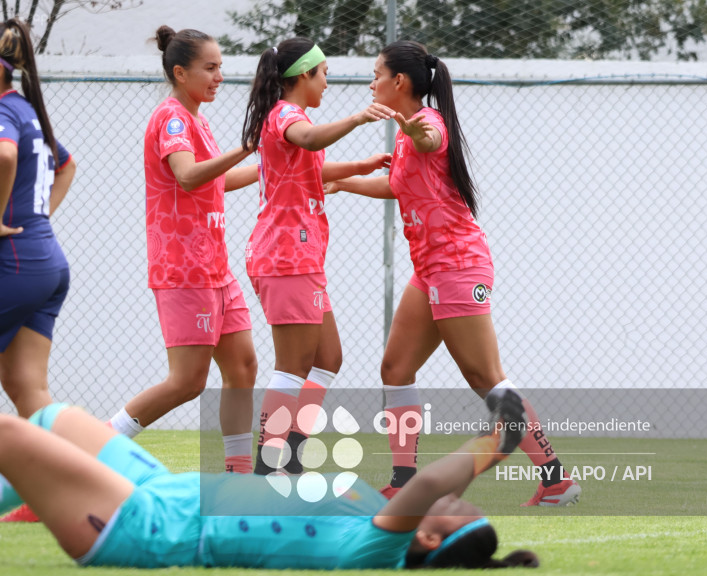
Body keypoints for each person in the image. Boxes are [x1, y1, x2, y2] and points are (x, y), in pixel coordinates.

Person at [325, 40, 581, 507]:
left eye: (375, 74)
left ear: (398, 82)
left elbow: (431, 139)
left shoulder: (425, 123)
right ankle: (403, 482)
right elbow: (399, 185)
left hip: (458, 267)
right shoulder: (405, 135)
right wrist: (344, 182)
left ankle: (556, 478)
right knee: (395, 367)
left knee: (486, 377)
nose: (371, 82)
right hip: (431, 271)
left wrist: (412, 128)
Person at [0, 390, 539, 569]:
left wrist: (499, 442)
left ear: (426, 537)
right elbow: (440, 496)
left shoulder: (376, 547)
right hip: (164, 489)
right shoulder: (380, 515)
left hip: (148, 525)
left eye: (459, 507)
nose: (454, 495)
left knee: (8, 433)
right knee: (54, 420)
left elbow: (427, 486)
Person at [107, 26, 259, 475]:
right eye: (209, 68)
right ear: (180, 72)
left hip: (216, 270)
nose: (219, 77)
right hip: (184, 270)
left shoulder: (198, 120)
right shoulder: (171, 119)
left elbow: (216, 180)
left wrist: (265, 165)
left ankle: (238, 475)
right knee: (188, 382)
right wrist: (246, 148)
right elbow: (189, 176)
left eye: (221, 68)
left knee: (243, 368)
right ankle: (95, 445)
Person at [240, 37, 395, 475]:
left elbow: (309, 164)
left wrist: (359, 166)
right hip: (285, 257)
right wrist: (357, 118)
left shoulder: (292, 118)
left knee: (328, 360)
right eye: (323, 72)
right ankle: (268, 466)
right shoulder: (288, 116)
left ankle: (287, 453)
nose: (328, 81)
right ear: (303, 75)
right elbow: (307, 140)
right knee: (291, 368)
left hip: (300, 258)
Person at [0, 19, 78, 522]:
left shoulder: (5, 112)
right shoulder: (27, 108)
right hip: (46, 259)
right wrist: (38, 216)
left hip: (18, 262)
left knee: (28, 388)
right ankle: (49, 492)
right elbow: (68, 165)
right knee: (29, 388)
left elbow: (5, 155)